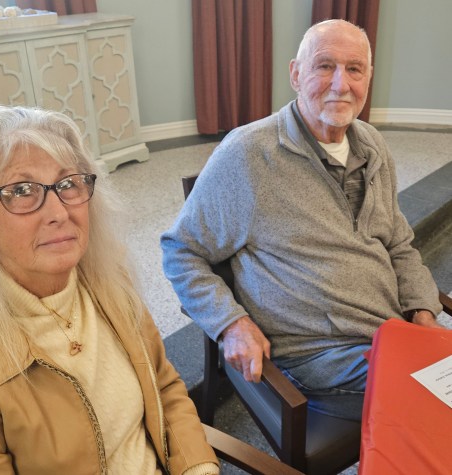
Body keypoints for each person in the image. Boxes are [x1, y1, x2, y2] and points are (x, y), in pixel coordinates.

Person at [0, 105, 220, 474]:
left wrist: (198, 468)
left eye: (68, 184)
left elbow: (163, 387)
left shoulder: (108, 279)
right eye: (21, 190)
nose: (59, 212)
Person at [161, 19, 445, 421]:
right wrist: (231, 324)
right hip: (317, 352)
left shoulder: (372, 145)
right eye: (324, 66)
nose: (340, 84)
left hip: (392, 331)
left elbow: (398, 244)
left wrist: (423, 313)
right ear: (296, 74)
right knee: (436, 403)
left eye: (354, 69)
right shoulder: (249, 154)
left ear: (368, 77)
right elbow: (181, 250)